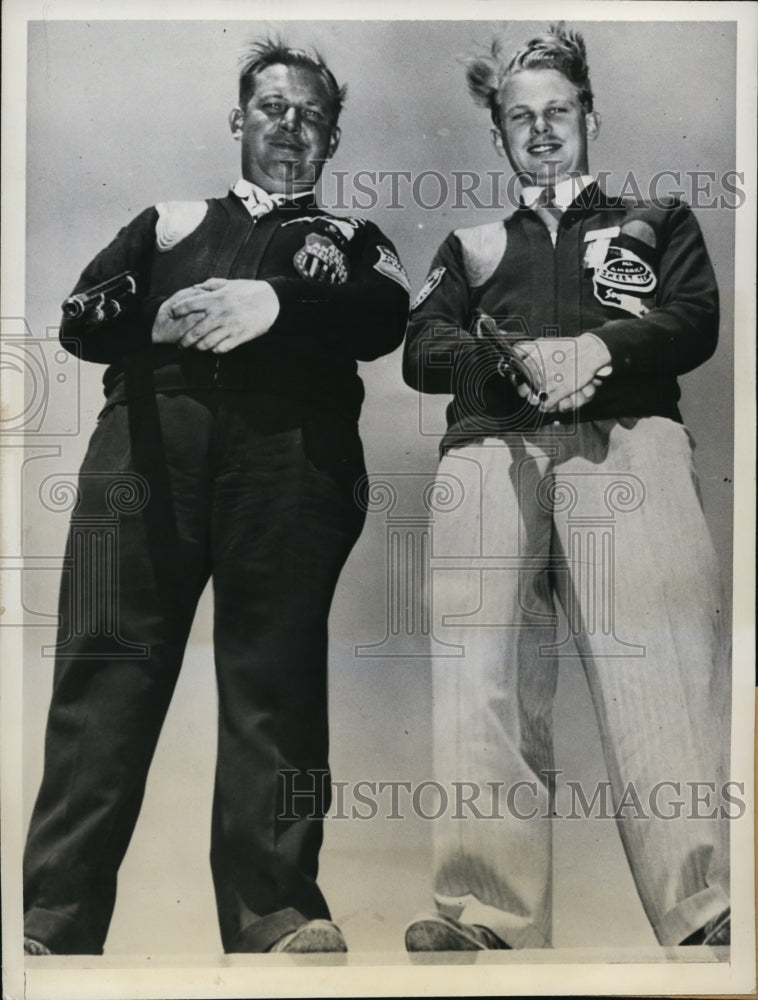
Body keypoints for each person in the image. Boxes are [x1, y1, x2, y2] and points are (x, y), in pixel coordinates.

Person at [23, 38, 410, 956]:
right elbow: (82, 317)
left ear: (333, 138)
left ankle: (276, 910)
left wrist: (274, 302)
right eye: (273, 107)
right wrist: (156, 318)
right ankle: (54, 923)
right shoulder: (167, 223)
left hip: (292, 464)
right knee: (104, 675)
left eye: (312, 115)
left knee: (277, 683)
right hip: (147, 453)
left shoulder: (356, 241)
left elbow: (384, 315)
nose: (291, 125)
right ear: (238, 119)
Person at [402, 23, 730, 951]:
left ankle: (703, 914)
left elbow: (694, 317)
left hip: (630, 446)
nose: (541, 130)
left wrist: (597, 348)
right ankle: (487, 921)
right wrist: (513, 365)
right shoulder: (469, 247)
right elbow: (423, 351)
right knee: (481, 677)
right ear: (499, 135)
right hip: (490, 455)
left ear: (590, 113)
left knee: (657, 666)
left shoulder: (656, 219)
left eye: (557, 111)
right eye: (519, 118)